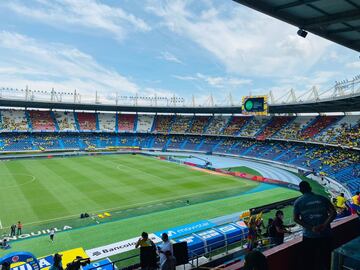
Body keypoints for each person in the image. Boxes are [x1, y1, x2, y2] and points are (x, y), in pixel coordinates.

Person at [293, 181, 336, 270]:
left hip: (309, 236)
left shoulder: (298, 202)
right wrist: (324, 225)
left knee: (310, 261)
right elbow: (333, 213)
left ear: (301, 190)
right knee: (327, 259)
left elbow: (296, 219)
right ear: (310, 188)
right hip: (326, 234)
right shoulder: (322, 198)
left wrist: (311, 228)